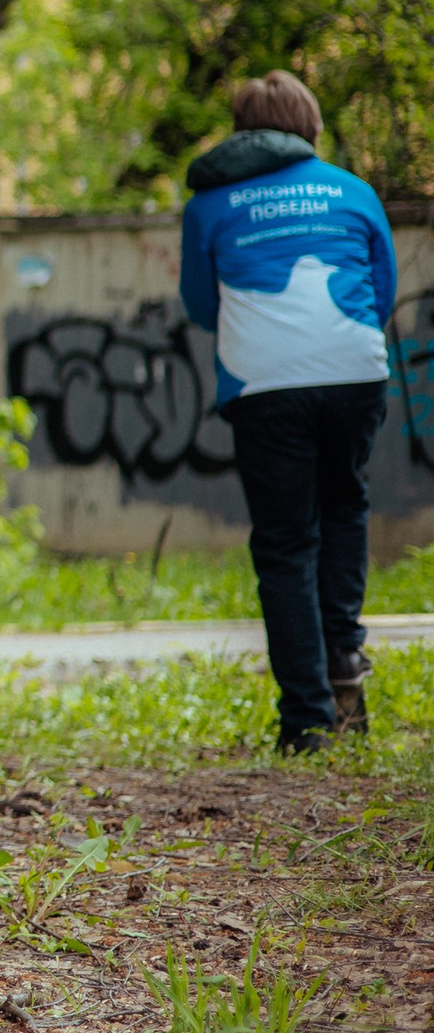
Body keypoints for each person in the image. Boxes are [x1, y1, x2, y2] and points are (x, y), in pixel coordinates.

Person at [181, 70, 396, 754]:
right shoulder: (354, 191)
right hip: (355, 371)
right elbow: (381, 289)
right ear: (310, 127)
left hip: (263, 381)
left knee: (284, 543)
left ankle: (306, 722)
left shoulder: (210, 203)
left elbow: (200, 304)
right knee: (343, 508)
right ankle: (345, 676)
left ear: (244, 129)